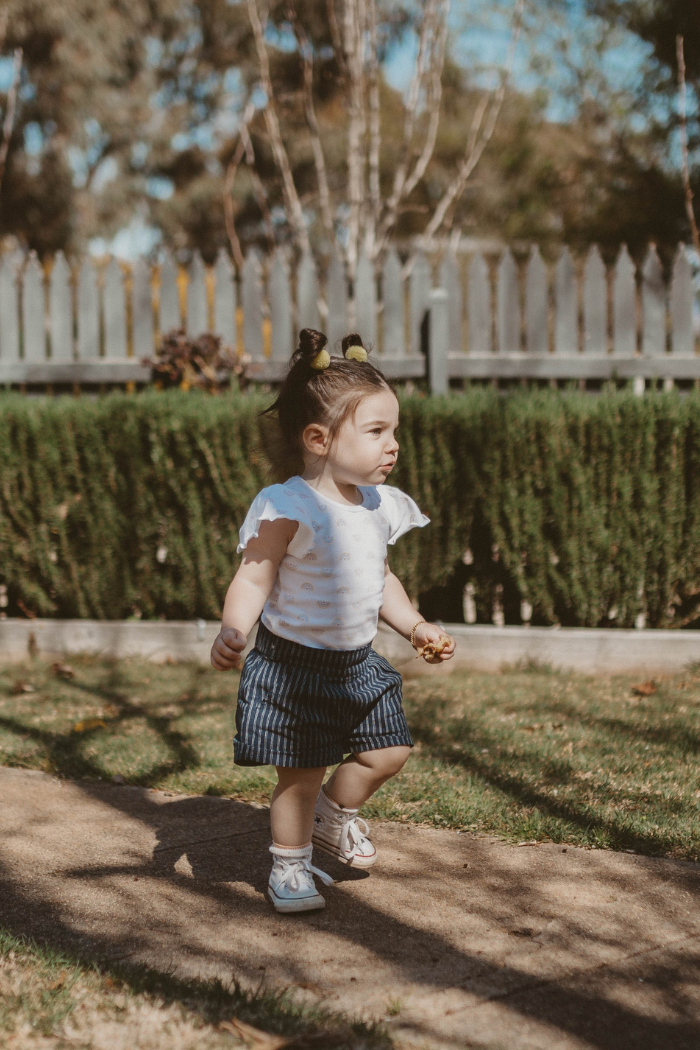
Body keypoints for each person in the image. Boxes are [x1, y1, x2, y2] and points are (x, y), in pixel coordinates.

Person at [210, 328, 455, 913]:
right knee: (300, 773)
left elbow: (380, 582)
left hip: (357, 665)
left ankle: (334, 814)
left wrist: (415, 625)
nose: (393, 445)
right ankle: (289, 867)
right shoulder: (291, 505)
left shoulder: (377, 505)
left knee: (388, 752)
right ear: (319, 438)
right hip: (294, 668)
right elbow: (254, 575)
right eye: (376, 432)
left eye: (395, 430)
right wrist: (234, 629)